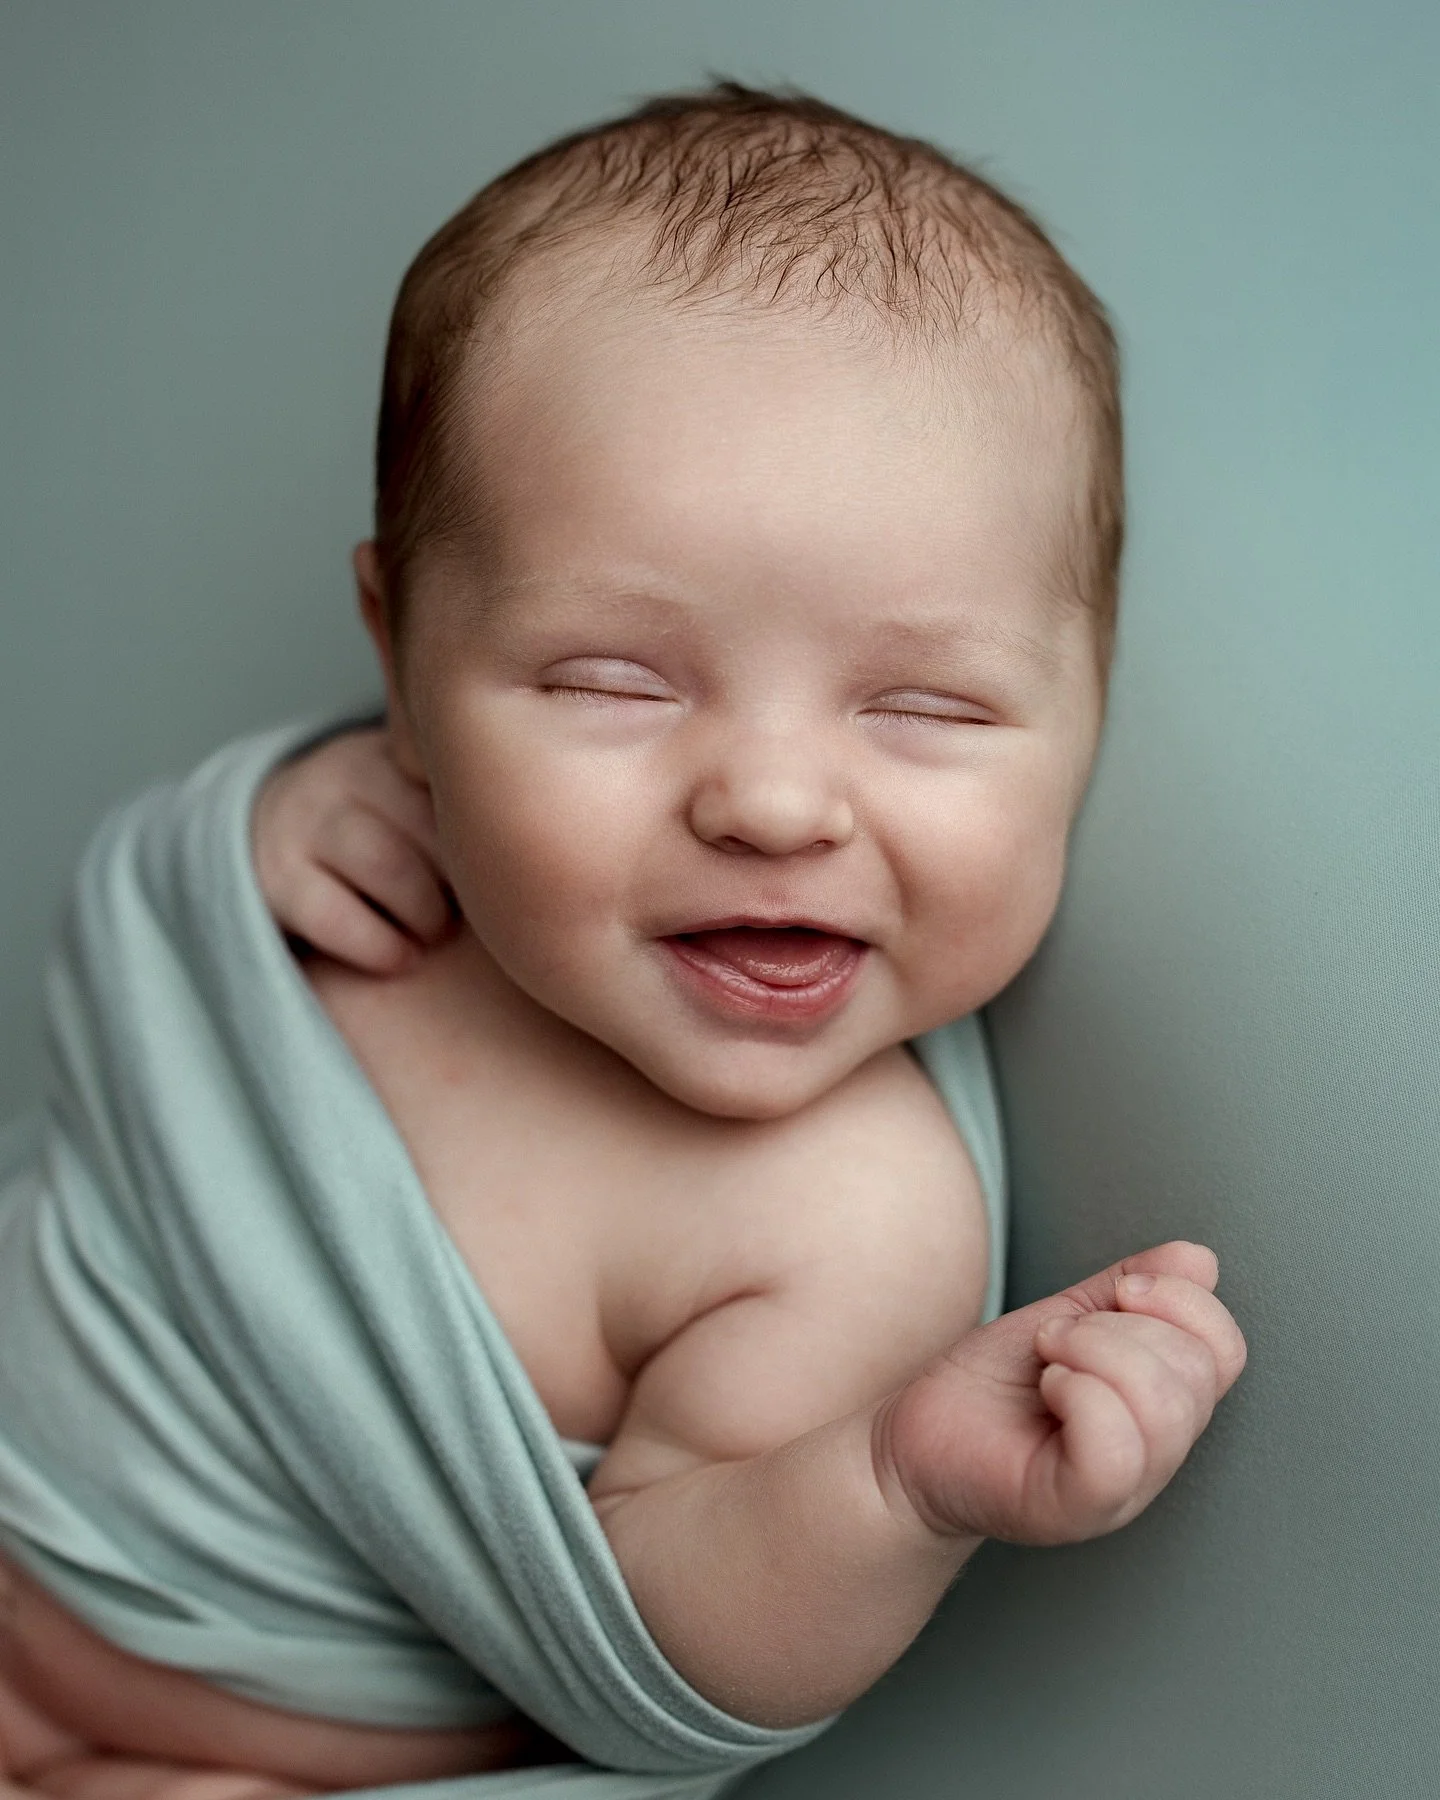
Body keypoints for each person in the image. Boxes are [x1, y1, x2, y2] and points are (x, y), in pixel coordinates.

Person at [0, 81, 1245, 1800]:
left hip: (233, 1764)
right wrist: (249, 826)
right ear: (404, 660)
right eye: (612, 682)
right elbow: (131, 985)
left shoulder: (848, 1212)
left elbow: (663, 1638)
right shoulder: (378, 846)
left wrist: (897, 1483)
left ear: (1091, 707)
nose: (775, 801)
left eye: (927, 705)